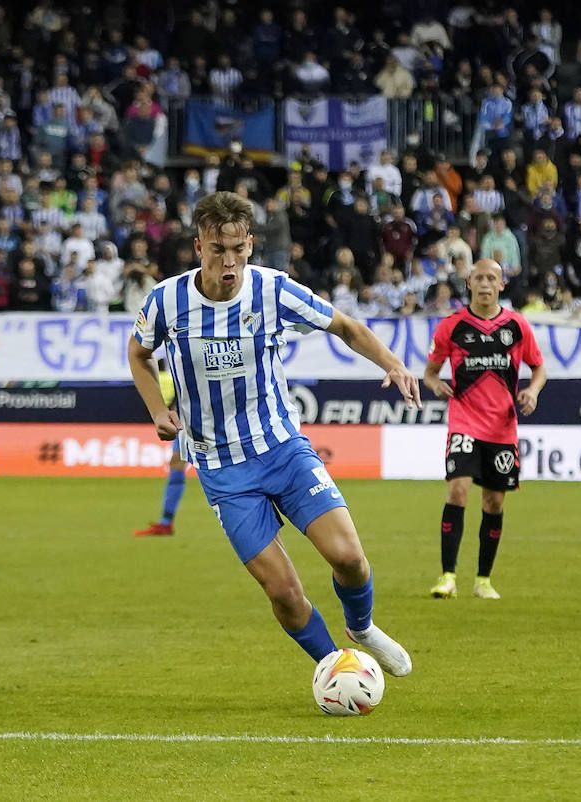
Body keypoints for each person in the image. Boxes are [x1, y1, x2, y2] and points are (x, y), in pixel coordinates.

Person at [128, 191, 420, 678]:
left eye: (239, 249)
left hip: (282, 449)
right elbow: (138, 354)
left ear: (251, 245)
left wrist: (392, 362)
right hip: (223, 469)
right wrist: (158, 410)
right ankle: (336, 666)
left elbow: (345, 326)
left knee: (349, 559)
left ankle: (362, 628)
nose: (230, 261)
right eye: (219, 249)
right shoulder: (166, 301)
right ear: (198, 246)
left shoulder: (272, 289)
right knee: (283, 592)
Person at [423, 259, 547, 600]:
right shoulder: (452, 326)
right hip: (464, 420)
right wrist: (435, 385)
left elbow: (539, 370)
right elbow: (430, 371)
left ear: (502, 284)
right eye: (479, 278)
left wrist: (532, 391)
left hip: (502, 428)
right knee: (458, 490)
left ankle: (483, 580)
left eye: (492, 278)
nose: (485, 284)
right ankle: (448, 576)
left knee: (493, 502)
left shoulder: (517, 326)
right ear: (469, 282)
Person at [133, 363, 188, 536]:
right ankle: (166, 522)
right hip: (184, 418)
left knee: (179, 464)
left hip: (192, 418)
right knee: (176, 463)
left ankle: (166, 522)